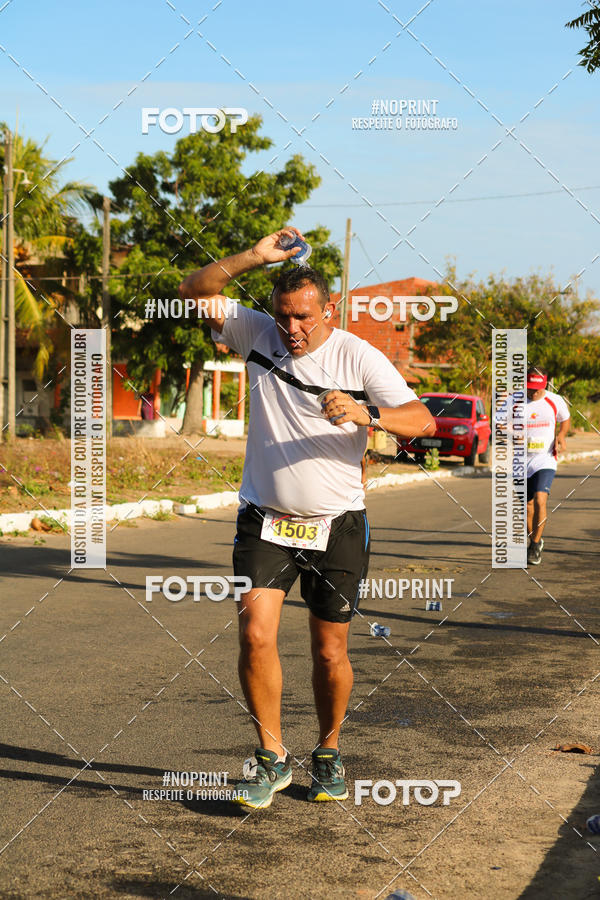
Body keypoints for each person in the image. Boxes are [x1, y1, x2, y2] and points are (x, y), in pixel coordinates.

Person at [179, 227, 435, 808]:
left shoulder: (356, 354)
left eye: (303, 316)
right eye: (283, 315)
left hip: (337, 523)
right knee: (255, 633)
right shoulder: (256, 332)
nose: (291, 328)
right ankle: (271, 758)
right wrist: (255, 255)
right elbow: (194, 289)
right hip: (264, 518)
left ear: (329, 310)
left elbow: (422, 420)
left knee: (329, 652)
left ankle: (328, 751)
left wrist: (367, 413)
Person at [525, 366, 570, 565]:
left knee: (540, 499)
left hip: (545, 458)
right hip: (520, 460)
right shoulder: (515, 401)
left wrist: (561, 435)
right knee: (527, 506)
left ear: (544, 384)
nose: (534, 393)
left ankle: (534, 546)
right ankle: (535, 539)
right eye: (530, 388)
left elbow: (565, 420)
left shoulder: (555, 400)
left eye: (537, 389)